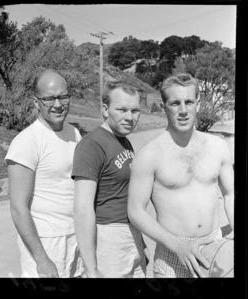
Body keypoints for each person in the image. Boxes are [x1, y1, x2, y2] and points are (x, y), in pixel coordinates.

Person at [128, 73, 234, 278]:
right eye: (175, 103)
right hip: (171, 257)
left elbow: (230, 194)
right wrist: (178, 246)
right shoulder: (149, 155)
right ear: (164, 106)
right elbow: (135, 211)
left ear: (198, 103)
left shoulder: (219, 146)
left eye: (189, 102)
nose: (183, 110)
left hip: (214, 251)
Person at [5, 69, 84, 278]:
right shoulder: (27, 141)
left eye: (63, 96)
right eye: (49, 98)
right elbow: (18, 207)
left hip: (76, 237)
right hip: (47, 243)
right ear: (35, 102)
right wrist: (41, 259)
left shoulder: (73, 133)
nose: (57, 104)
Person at [71, 81, 147, 278]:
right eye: (121, 110)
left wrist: (139, 242)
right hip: (109, 239)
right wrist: (91, 268)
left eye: (135, 110)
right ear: (105, 110)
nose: (129, 117)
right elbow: (82, 210)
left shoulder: (124, 141)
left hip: (132, 233)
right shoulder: (92, 145)